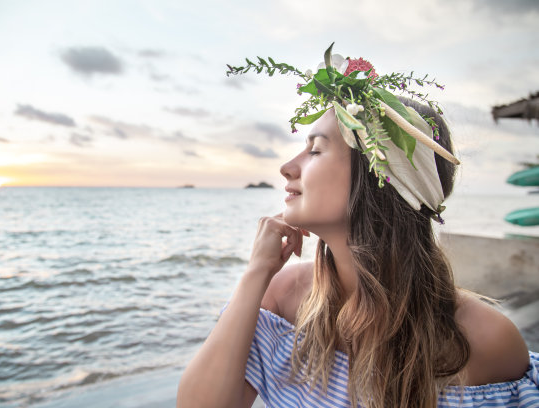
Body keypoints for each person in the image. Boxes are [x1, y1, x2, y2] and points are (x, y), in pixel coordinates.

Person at [177, 46, 539, 407]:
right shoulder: (284, 296)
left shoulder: (483, 341)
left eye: (315, 150)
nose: (287, 167)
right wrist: (255, 273)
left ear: (381, 178)